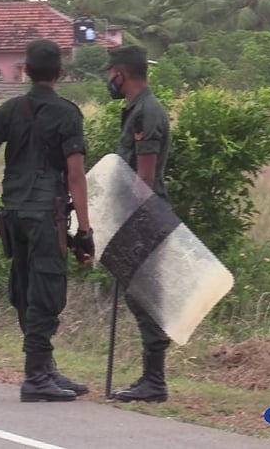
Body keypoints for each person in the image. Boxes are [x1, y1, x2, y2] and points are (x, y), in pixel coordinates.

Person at [0, 39, 95, 402]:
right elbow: (75, 174)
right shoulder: (67, 113)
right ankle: (35, 376)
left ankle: (45, 367)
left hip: (13, 213)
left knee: (25, 286)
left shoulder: (9, 110)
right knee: (48, 289)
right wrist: (84, 229)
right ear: (60, 73)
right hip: (46, 214)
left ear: (25, 71)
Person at [104, 44, 172, 404]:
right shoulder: (136, 110)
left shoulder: (146, 113)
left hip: (144, 213)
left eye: (110, 73)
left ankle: (154, 381)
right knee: (141, 294)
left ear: (121, 73)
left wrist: (130, 221)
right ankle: (152, 378)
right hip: (137, 213)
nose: (108, 80)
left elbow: (143, 178)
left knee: (144, 296)